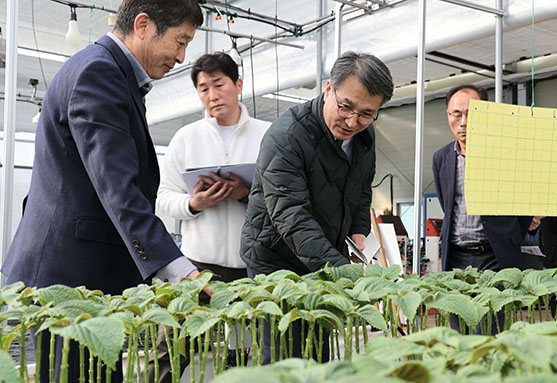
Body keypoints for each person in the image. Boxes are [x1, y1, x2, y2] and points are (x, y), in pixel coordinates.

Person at [1, 1, 206, 382]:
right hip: (69, 281)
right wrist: (178, 271)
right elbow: (118, 189)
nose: (181, 58)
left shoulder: (109, 72)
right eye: (180, 42)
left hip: (79, 274)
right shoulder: (99, 72)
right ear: (143, 25)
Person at [240, 51, 394, 363]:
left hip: (324, 257)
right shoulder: (286, 136)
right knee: (288, 355)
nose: (353, 121)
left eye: (366, 114)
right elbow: (291, 218)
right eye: (346, 106)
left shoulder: (364, 137)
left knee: (318, 347)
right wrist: (344, 273)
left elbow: (362, 188)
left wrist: (359, 232)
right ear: (328, 89)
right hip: (276, 258)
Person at [148, 52, 269, 381]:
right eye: (203, 88)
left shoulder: (268, 136)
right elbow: (163, 198)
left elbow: (283, 198)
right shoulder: (186, 138)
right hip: (198, 267)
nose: (212, 95)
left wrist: (246, 194)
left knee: (248, 355)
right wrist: (194, 204)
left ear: (238, 85)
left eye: (219, 84)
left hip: (254, 267)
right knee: (170, 349)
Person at [432, 84, 540, 333]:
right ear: (447, 115)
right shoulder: (441, 158)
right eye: (456, 114)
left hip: (494, 257)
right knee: (459, 330)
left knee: (489, 330)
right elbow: (447, 204)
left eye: (471, 113)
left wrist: (510, 235)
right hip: (456, 259)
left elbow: (523, 202)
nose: (463, 122)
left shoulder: (506, 155)